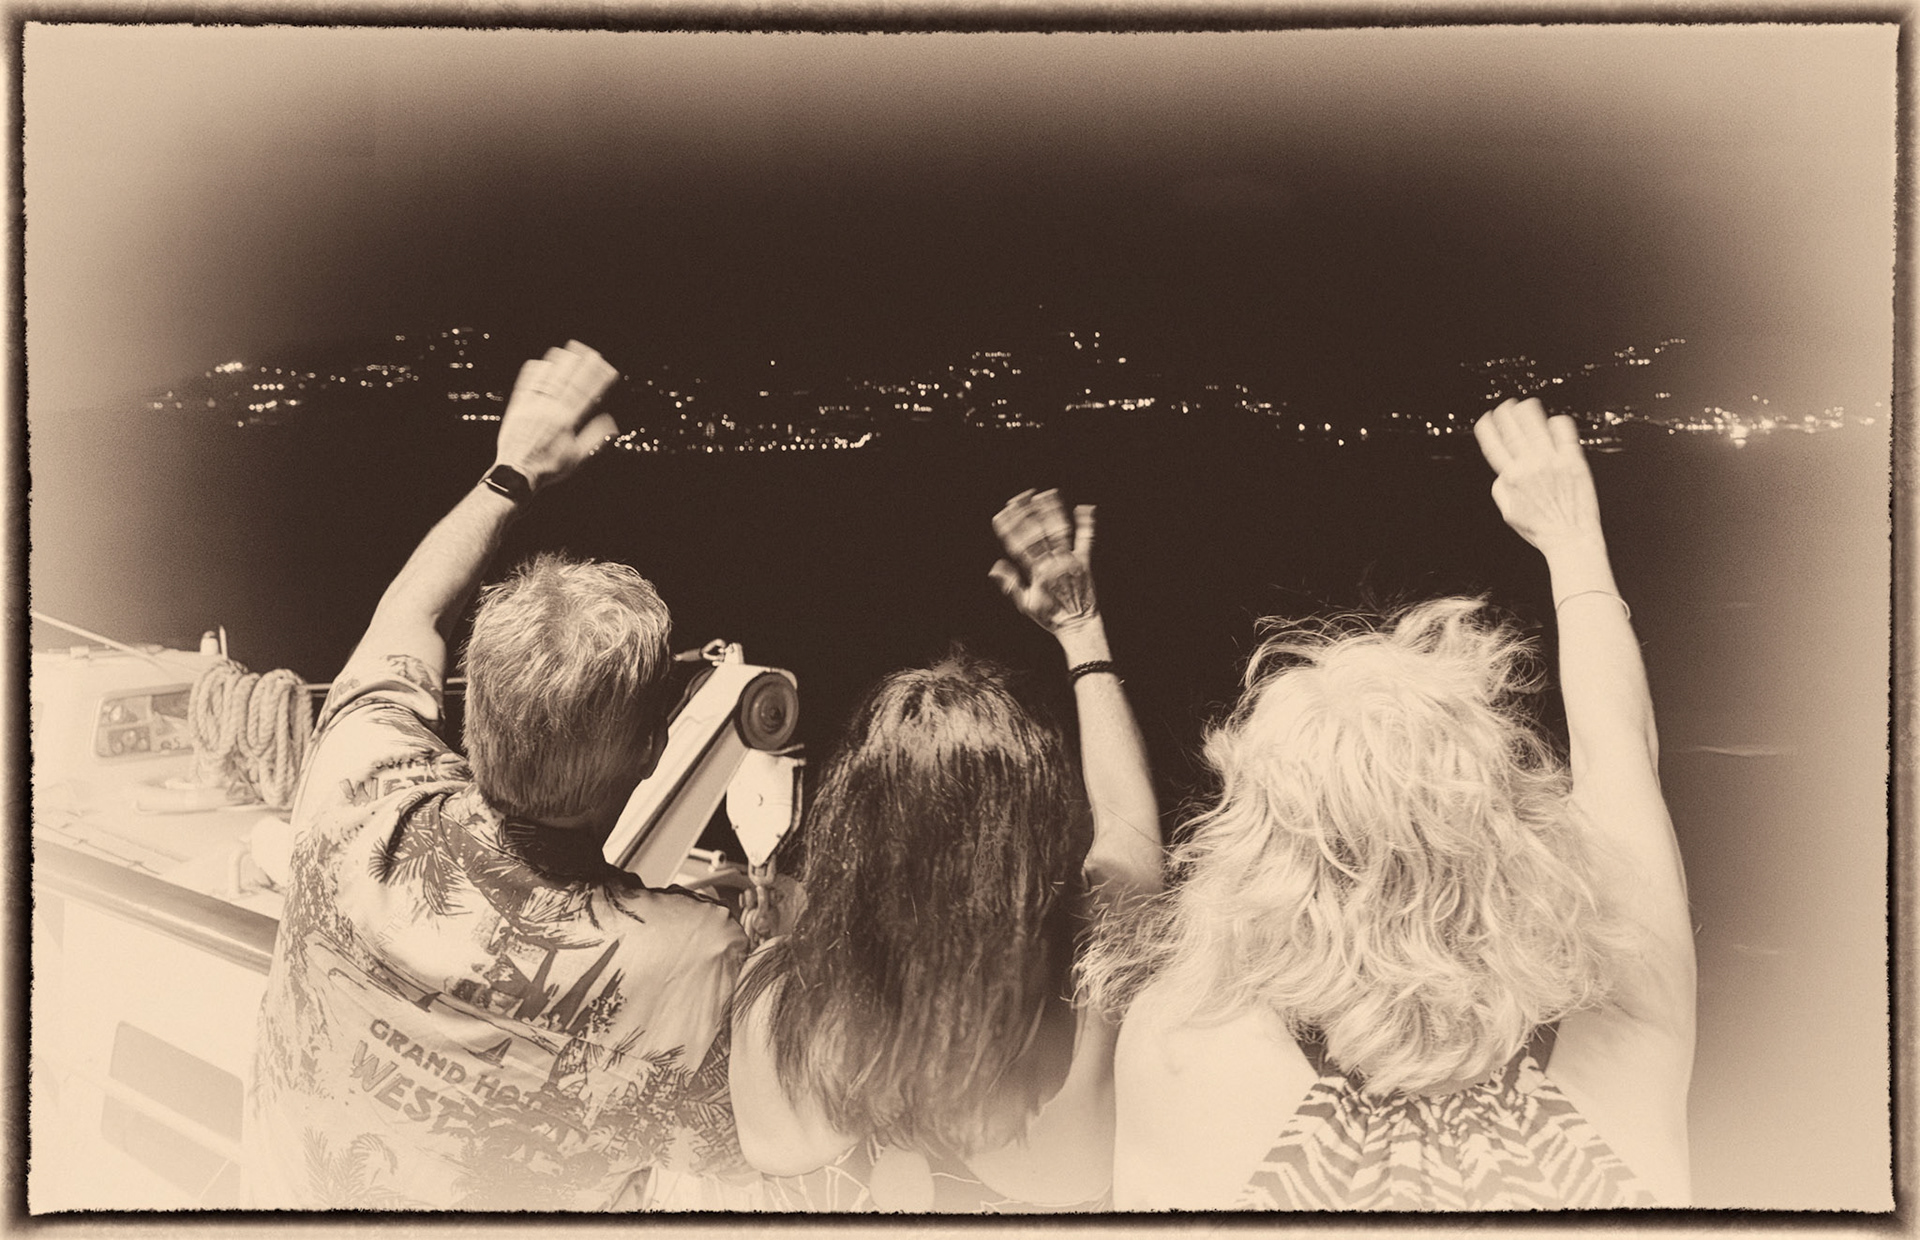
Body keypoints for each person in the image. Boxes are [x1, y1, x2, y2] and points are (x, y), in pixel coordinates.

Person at [1099, 397, 1697, 1210]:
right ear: (1514, 841)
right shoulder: (1625, 1047)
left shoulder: (1188, 1060)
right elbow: (1619, 751)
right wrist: (1573, 542)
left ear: (1261, 863)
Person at [244, 341, 756, 1210]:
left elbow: (411, 611)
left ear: (469, 718)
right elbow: (769, 1145)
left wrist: (511, 470)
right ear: (648, 752)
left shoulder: (360, 789)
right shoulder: (694, 959)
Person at [727, 488, 1164, 1211]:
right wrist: (1082, 635)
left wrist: (779, 935)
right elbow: (1129, 830)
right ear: (1024, 843)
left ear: (850, 835)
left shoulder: (771, 1003)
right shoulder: (1089, 1003)